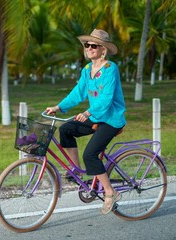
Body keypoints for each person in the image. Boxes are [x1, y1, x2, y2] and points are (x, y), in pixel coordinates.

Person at [45, 29, 126, 214]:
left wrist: (88, 112)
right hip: (95, 117)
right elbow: (78, 93)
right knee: (65, 129)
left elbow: (106, 99)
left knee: (90, 154)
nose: (89, 48)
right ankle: (77, 172)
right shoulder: (87, 69)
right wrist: (58, 107)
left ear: (103, 49)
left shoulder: (110, 69)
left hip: (111, 119)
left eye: (93, 45)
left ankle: (110, 192)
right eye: (87, 45)